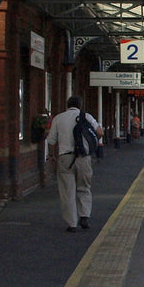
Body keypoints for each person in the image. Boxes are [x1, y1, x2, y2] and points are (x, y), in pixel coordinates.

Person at [45, 96, 102, 232]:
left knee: (67, 191)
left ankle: (72, 224)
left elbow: (51, 140)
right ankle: (84, 216)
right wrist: (90, 143)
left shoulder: (59, 118)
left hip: (65, 157)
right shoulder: (86, 116)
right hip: (84, 157)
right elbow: (100, 132)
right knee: (84, 187)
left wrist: (52, 156)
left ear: (67, 105)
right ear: (80, 105)